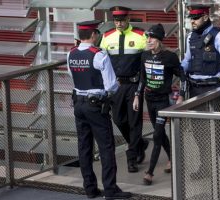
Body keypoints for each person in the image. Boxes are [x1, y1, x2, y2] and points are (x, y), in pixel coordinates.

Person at [67, 20, 132, 199]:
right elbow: (111, 85)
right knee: (106, 147)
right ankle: (110, 190)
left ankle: (90, 188)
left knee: (84, 146)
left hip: (78, 103)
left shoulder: (70, 54)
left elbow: (72, 76)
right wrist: (116, 86)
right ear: (94, 35)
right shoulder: (99, 54)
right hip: (95, 105)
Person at [181, 4, 220, 179]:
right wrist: (177, 71)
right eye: (191, 18)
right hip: (195, 87)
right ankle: (206, 166)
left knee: (215, 126)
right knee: (198, 130)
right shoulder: (191, 37)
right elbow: (187, 61)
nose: (192, 21)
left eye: (195, 18)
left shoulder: (219, 36)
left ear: (205, 17)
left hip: (213, 88)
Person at [132, 24, 186, 185]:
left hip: (163, 101)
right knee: (160, 134)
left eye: (152, 38)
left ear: (160, 40)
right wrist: (137, 96)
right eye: (147, 38)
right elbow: (142, 78)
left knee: (156, 135)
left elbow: (183, 77)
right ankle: (172, 158)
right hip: (150, 99)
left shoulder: (170, 57)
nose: (148, 41)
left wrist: (181, 96)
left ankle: (150, 173)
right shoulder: (144, 55)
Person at [100, 6, 149, 173]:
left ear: (128, 19)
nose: (119, 23)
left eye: (122, 19)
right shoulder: (106, 37)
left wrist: (143, 86)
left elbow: (147, 62)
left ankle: (132, 157)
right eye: (116, 20)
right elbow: (102, 62)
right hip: (116, 85)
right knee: (119, 120)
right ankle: (140, 144)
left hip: (134, 84)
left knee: (135, 122)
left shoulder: (141, 35)